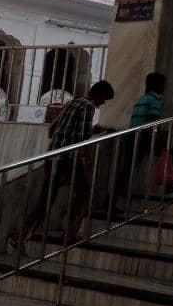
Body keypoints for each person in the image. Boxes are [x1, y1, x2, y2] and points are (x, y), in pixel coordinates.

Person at [18, 80, 115, 247]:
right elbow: (81, 137)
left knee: (46, 199)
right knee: (83, 193)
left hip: (53, 156)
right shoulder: (88, 107)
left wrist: (91, 130)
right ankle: (69, 233)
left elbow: (53, 129)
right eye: (104, 98)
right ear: (99, 94)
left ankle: (22, 235)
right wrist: (92, 134)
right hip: (69, 158)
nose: (103, 103)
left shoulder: (73, 102)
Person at [121, 72, 166, 195]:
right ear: (157, 86)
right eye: (163, 85)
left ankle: (113, 198)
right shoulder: (155, 99)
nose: (164, 88)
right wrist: (159, 133)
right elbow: (153, 118)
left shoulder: (142, 98)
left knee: (127, 168)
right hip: (142, 137)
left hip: (132, 135)